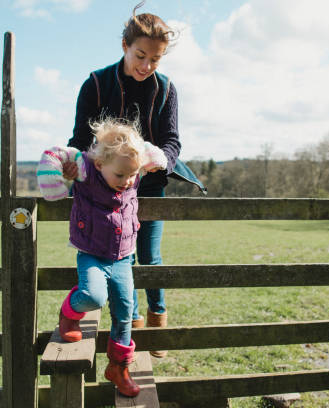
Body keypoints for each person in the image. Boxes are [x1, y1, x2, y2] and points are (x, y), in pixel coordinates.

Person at [66, 1, 205, 359]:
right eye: (140, 55)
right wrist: (68, 165)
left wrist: (161, 158)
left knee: (149, 256)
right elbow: (80, 141)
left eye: (155, 60)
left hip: (150, 186)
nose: (146, 66)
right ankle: (132, 324)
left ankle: (158, 320)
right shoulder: (96, 84)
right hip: (103, 191)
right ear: (125, 46)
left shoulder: (167, 89)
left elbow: (173, 141)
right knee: (120, 257)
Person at [37, 117, 168, 397]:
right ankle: (69, 312)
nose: (127, 181)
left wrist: (157, 160)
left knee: (124, 312)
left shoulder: (131, 169)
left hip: (123, 258)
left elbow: (154, 154)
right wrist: (58, 179)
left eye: (132, 175)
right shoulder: (86, 172)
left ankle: (119, 367)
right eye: (120, 176)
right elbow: (53, 155)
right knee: (93, 296)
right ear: (99, 164)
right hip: (92, 254)